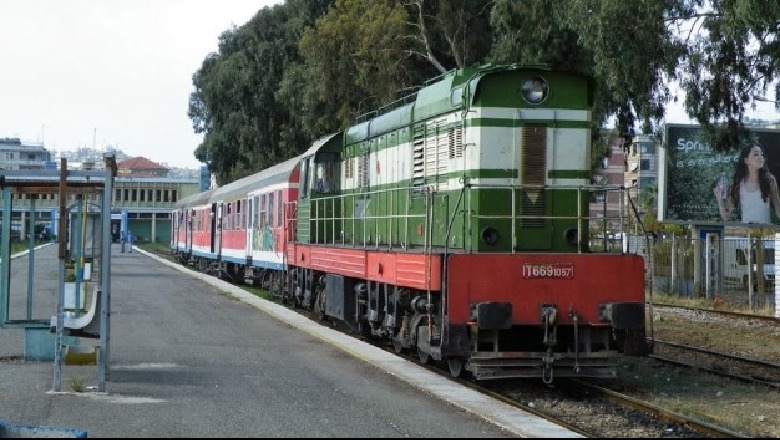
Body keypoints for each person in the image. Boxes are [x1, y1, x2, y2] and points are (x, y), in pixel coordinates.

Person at [714, 143, 780, 224]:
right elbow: (725, 216)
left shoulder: (770, 181)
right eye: (756, 154)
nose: (760, 157)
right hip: (746, 232)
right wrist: (719, 198)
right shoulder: (739, 185)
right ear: (746, 160)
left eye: (761, 154)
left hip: (765, 232)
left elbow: (778, 212)